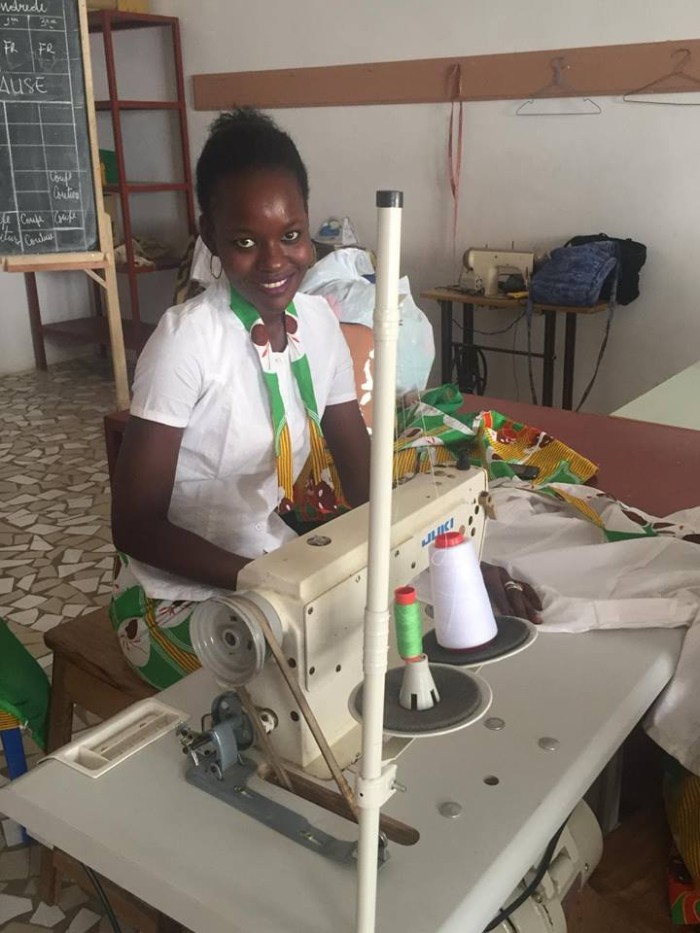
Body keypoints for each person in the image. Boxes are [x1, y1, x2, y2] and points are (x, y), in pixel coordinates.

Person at [110, 108, 540, 690]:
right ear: (209, 235)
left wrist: (448, 561)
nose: (274, 261)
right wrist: (269, 582)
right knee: (319, 690)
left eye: (291, 235)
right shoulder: (187, 341)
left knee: (394, 646)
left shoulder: (316, 324)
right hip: (173, 596)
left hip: (273, 565)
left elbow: (363, 479)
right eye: (244, 241)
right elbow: (134, 525)